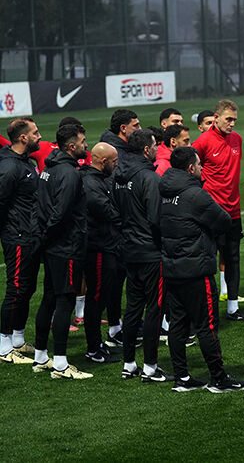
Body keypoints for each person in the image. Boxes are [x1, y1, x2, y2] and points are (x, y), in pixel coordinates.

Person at [160, 147, 244, 393]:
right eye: (200, 164)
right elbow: (224, 221)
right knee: (207, 325)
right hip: (196, 269)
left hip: (171, 267)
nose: (202, 168)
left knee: (178, 324)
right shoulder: (195, 194)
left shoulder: (164, 191)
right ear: (190, 168)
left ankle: (182, 377)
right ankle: (219, 378)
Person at [33, 123, 91, 379]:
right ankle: (60, 364)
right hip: (66, 246)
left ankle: (41, 357)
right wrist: (49, 236)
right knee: (64, 300)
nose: (85, 145)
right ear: (71, 146)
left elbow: (42, 206)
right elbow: (61, 212)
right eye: (82, 142)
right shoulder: (69, 173)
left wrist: (44, 239)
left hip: (53, 246)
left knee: (49, 298)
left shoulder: (49, 168)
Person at [115, 129, 172, 383]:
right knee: (154, 310)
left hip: (129, 250)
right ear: (147, 150)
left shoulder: (118, 176)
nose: (157, 149)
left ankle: (129, 364)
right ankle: (150, 367)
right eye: (155, 145)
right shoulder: (149, 177)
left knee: (133, 308)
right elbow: (156, 218)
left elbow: (117, 210)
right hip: (150, 252)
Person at [192, 99, 244, 321]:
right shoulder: (202, 142)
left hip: (233, 211)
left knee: (233, 259)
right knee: (206, 261)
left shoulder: (237, 140)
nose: (232, 124)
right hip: (211, 213)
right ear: (216, 118)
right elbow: (191, 172)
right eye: (228, 119)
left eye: (235, 120)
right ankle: (204, 311)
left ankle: (233, 309)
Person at [0, 118, 42, 365]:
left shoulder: (26, 162)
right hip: (17, 235)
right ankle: (3, 345)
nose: (40, 136)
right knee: (16, 289)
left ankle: (17, 339)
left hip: (30, 234)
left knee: (27, 288)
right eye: (35, 133)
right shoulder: (9, 167)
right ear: (23, 138)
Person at [80, 142, 122, 364]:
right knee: (96, 298)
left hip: (105, 245)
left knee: (100, 296)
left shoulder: (98, 180)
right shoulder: (91, 183)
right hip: (97, 248)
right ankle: (93, 348)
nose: (117, 165)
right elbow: (107, 211)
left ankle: (97, 344)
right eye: (114, 161)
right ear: (103, 161)